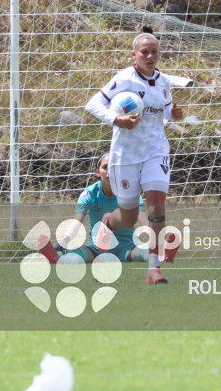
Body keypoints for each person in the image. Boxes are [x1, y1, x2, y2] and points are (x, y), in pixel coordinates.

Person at [85, 27, 184, 284]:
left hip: (156, 151)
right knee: (127, 217)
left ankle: (154, 268)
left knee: (156, 202)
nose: (150, 56)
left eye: (154, 52)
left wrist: (173, 113)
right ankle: (109, 223)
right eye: (145, 52)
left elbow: (164, 109)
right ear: (135, 55)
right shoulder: (124, 79)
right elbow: (93, 104)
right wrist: (117, 119)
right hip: (126, 154)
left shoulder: (163, 81)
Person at [38, 153, 179, 265]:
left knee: (146, 253)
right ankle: (56, 257)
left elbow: (144, 222)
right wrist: (63, 242)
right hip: (96, 249)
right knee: (74, 255)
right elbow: (77, 222)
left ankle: (162, 255)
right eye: (106, 167)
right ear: (97, 172)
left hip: (127, 247)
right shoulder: (89, 194)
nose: (110, 172)